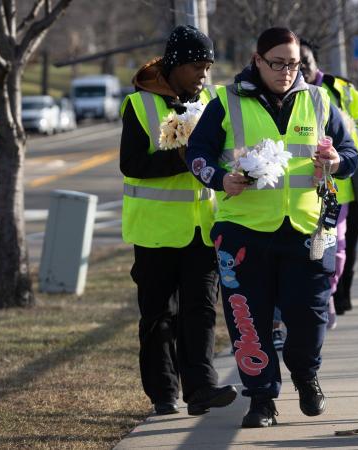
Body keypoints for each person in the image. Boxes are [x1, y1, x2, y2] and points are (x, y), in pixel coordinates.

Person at [186, 27, 358, 428]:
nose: (285, 71)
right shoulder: (226, 101)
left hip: (306, 230)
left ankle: (306, 374)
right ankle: (262, 399)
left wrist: (334, 163)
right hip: (243, 231)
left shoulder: (318, 100)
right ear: (257, 60)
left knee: (310, 315)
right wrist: (219, 178)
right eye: (276, 63)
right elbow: (198, 153)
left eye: (293, 64)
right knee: (249, 318)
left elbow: (350, 152)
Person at [120, 25, 237, 417]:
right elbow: (131, 164)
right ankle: (163, 393)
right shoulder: (139, 105)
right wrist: (181, 157)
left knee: (201, 310)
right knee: (159, 317)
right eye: (195, 66)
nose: (203, 75)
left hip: (202, 229)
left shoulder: (211, 103)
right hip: (155, 233)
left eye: (207, 67)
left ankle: (201, 388)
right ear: (174, 65)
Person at [300, 39, 358, 322]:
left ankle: (330, 298)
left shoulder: (340, 92)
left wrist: (345, 135)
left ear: (316, 62)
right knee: (309, 255)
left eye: (304, 62)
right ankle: (318, 303)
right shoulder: (280, 93)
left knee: (336, 251)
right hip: (301, 193)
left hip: (340, 191)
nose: (298, 70)